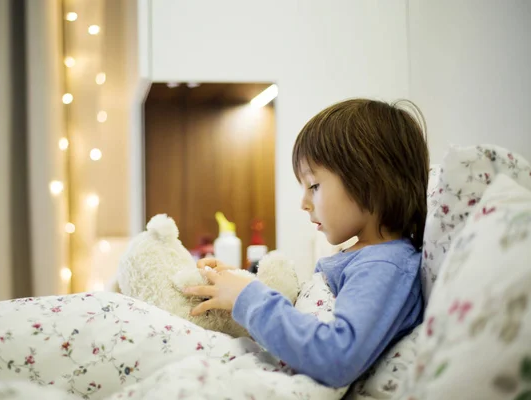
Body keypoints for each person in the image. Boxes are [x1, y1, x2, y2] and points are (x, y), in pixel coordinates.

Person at [184, 98, 429, 387]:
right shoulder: (364, 257)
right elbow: (309, 320)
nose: (304, 203)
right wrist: (239, 283)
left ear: (372, 182)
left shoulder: (384, 265)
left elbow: (336, 355)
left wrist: (247, 297)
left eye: (313, 185)